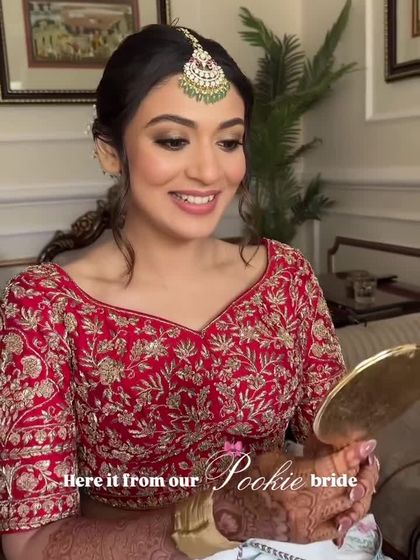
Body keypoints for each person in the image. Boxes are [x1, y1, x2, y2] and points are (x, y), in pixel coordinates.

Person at [0, 24, 380, 560]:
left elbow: (328, 435)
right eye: (173, 140)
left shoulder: (285, 278)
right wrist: (220, 519)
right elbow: (30, 543)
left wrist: (346, 472)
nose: (208, 171)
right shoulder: (45, 306)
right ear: (110, 151)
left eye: (228, 141)